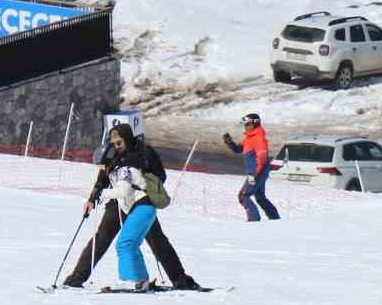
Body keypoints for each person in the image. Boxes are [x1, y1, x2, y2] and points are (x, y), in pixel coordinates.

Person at [66, 130, 202, 290]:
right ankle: (76, 278)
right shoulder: (113, 156)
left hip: (140, 201)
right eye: (114, 143)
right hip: (118, 202)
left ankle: (181, 280)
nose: (116, 146)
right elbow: (103, 177)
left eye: (119, 142)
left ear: (127, 139)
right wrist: (92, 198)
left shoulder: (144, 152)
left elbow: (161, 176)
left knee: (157, 241)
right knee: (101, 238)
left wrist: (143, 178)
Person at [80, 123, 163, 290]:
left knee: (124, 243)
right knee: (131, 244)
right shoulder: (116, 168)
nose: (102, 169)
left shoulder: (125, 168)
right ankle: (141, 280)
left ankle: (129, 279)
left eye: (103, 165)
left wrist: (102, 195)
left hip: (142, 206)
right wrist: (93, 197)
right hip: (141, 208)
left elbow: (123, 190)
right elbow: (105, 183)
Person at [224, 112, 280, 221]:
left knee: (243, 196)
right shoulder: (250, 137)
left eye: (247, 124)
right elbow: (237, 149)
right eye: (244, 124)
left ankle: (254, 221)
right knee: (260, 197)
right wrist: (229, 142)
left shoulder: (259, 138)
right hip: (259, 172)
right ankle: (275, 220)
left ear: (255, 124)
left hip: (256, 173)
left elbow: (262, 157)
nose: (245, 127)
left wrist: (254, 174)